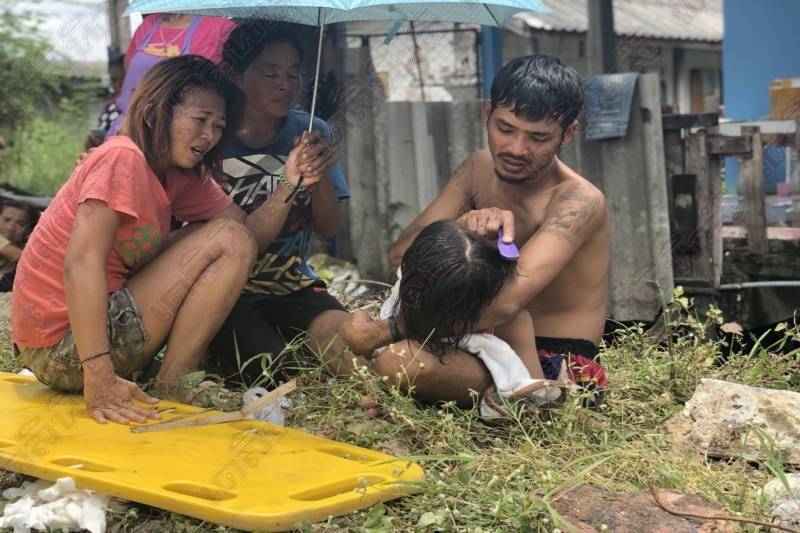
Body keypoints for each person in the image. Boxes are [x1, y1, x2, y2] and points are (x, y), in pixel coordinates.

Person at [11, 55, 318, 425]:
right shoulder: (121, 157)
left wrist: (289, 181)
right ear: (155, 112)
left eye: (218, 126)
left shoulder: (177, 173)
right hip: (62, 346)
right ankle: (174, 381)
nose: (209, 136)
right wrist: (99, 376)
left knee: (228, 237)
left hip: (90, 333)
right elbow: (81, 264)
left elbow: (248, 237)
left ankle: (173, 379)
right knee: (225, 238)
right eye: (200, 120)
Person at [340, 55, 609, 410]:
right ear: (486, 113)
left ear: (568, 133)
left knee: (398, 362)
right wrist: (460, 228)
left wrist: (387, 329)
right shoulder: (478, 168)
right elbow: (400, 256)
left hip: (554, 359)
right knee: (344, 343)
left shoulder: (579, 202)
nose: (516, 149)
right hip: (474, 334)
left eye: (538, 137)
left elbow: (506, 304)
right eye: (505, 128)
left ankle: (531, 405)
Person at [207, 21, 353, 386]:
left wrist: (318, 176)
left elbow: (329, 227)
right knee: (277, 375)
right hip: (227, 291)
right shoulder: (212, 137)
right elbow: (241, 241)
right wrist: (289, 181)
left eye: (293, 73)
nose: (285, 85)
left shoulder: (311, 131)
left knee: (352, 350)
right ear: (236, 76)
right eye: (270, 73)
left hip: (292, 285)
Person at [106, 13, 236, 138]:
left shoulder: (221, 29)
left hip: (177, 138)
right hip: (127, 129)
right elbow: (128, 74)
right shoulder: (149, 23)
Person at [85, 53, 126, 150]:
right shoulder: (110, 106)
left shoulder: (136, 110)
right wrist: (91, 141)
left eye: (124, 79)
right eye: (114, 80)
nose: (118, 84)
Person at [0, 200, 37, 290]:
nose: (10, 227)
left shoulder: (25, 247)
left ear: (29, 229)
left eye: (20, 224)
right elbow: (24, 259)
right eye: (6, 220)